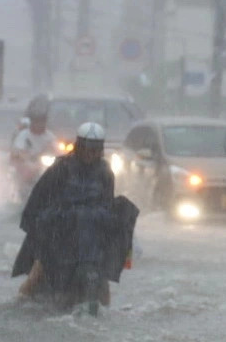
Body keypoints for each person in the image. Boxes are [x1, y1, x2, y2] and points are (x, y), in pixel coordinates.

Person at [12, 122, 136, 309]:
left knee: (102, 276)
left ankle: (105, 309)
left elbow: (107, 202)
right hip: (61, 229)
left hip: (90, 234)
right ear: (79, 146)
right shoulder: (61, 168)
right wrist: (44, 225)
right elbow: (40, 198)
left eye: (94, 149)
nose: (90, 153)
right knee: (39, 270)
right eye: (86, 148)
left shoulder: (105, 172)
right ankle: (21, 299)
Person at [11, 98, 60, 199]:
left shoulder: (49, 136)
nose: (39, 124)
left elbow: (56, 150)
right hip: (27, 165)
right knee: (26, 171)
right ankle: (22, 195)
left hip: (42, 165)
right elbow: (18, 151)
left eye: (42, 122)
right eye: (37, 121)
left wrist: (57, 155)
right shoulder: (24, 135)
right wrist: (25, 157)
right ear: (32, 122)